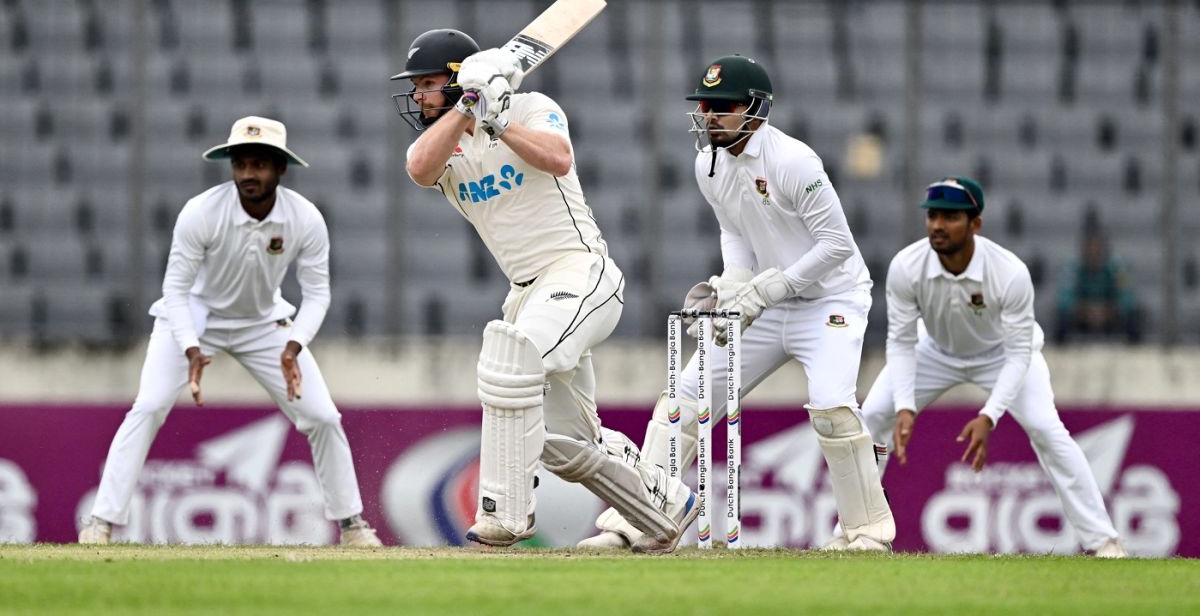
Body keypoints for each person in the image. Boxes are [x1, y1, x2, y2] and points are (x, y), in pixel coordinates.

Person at [394, 29, 696, 554]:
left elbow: (557, 158)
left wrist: (498, 120)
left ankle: (504, 513)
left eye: (426, 84)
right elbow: (419, 169)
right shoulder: (446, 143)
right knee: (569, 445)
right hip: (527, 293)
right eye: (416, 87)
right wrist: (468, 105)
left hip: (580, 273)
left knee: (512, 361)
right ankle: (663, 506)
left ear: (456, 76)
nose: (418, 96)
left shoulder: (532, 107)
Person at [580, 54, 894, 551]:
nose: (708, 115)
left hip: (830, 299)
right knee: (683, 399)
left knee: (832, 408)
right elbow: (734, 229)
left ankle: (867, 532)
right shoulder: (708, 165)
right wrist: (735, 283)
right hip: (766, 303)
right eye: (704, 106)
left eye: (721, 106)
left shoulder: (794, 162)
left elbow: (837, 246)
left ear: (755, 108)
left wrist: (766, 289)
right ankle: (639, 523)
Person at [78, 117, 381, 547]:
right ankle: (101, 522)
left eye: (259, 164)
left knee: (323, 417)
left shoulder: (305, 218)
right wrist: (190, 347)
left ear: (281, 168)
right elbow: (175, 290)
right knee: (148, 406)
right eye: (240, 164)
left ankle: (352, 525)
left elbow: (317, 294)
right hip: (194, 317)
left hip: (263, 323)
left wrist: (293, 346)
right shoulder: (201, 212)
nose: (247, 174)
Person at [837, 177, 1126, 557]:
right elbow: (902, 341)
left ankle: (1103, 541)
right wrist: (905, 406)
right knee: (874, 415)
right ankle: (856, 534)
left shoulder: (1009, 272)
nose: (938, 225)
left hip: (1003, 354)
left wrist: (989, 416)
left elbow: (1020, 354)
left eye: (951, 217)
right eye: (933, 216)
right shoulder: (907, 266)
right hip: (933, 351)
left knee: (1045, 427)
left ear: (975, 223)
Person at [1055, 230, 1140, 344]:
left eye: (1097, 249)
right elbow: (1065, 298)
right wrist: (1084, 311)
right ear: (1083, 250)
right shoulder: (1073, 268)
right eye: (1090, 249)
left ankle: (1134, 348)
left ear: (1104, 250)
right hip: (1082, 315)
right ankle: (1061, 349)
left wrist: (1108, 311)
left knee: (1132, 315)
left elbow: (1127, 296)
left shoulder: (1116, 267)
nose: (1093, 252)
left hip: (1110, 315)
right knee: (1062, 315)